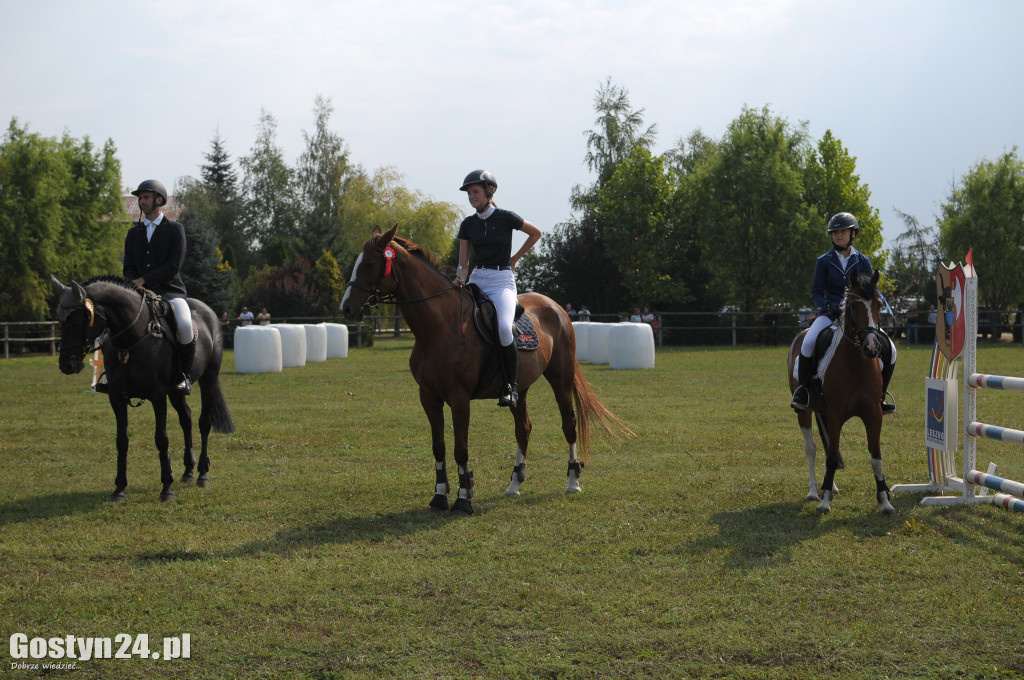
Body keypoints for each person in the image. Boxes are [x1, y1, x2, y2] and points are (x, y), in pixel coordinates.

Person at [790, 212, 896, 415]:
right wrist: (828, 305)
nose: (839, 235)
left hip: (859, 317)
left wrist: (877, 298)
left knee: (891, 348)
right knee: (809, 342)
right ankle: (802, 391)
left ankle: (881, 395)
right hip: (830, 314)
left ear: (852, 234)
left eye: (843, 231)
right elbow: (816, 292)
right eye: (835, 232)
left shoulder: (863, 260)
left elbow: (869, 287)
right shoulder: (823, 261)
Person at [454, 169, 542, 408]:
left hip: (501, 280)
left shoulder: (506, 217)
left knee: (504, 328)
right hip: (476, 279)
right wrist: (460, 278)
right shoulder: (468, 224)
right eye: (469, 193)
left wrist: (515, 259)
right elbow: (463, 262)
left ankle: (511, 386)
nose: (471, 197)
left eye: (475, 192)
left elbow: (536, 233)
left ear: (489, 191)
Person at [122, 179, 195, 395]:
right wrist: (134, 283)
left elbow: (174, 266)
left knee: (183, 323)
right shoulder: (133, 233)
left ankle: (184, 375)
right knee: (115, 319)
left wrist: (145, 280)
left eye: (145, 197)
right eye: (140, 198)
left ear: (158, 200)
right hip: (138, 292)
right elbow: (128, 267)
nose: (141, 201)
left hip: (170, 291)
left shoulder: (175, 229)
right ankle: (112, 374)